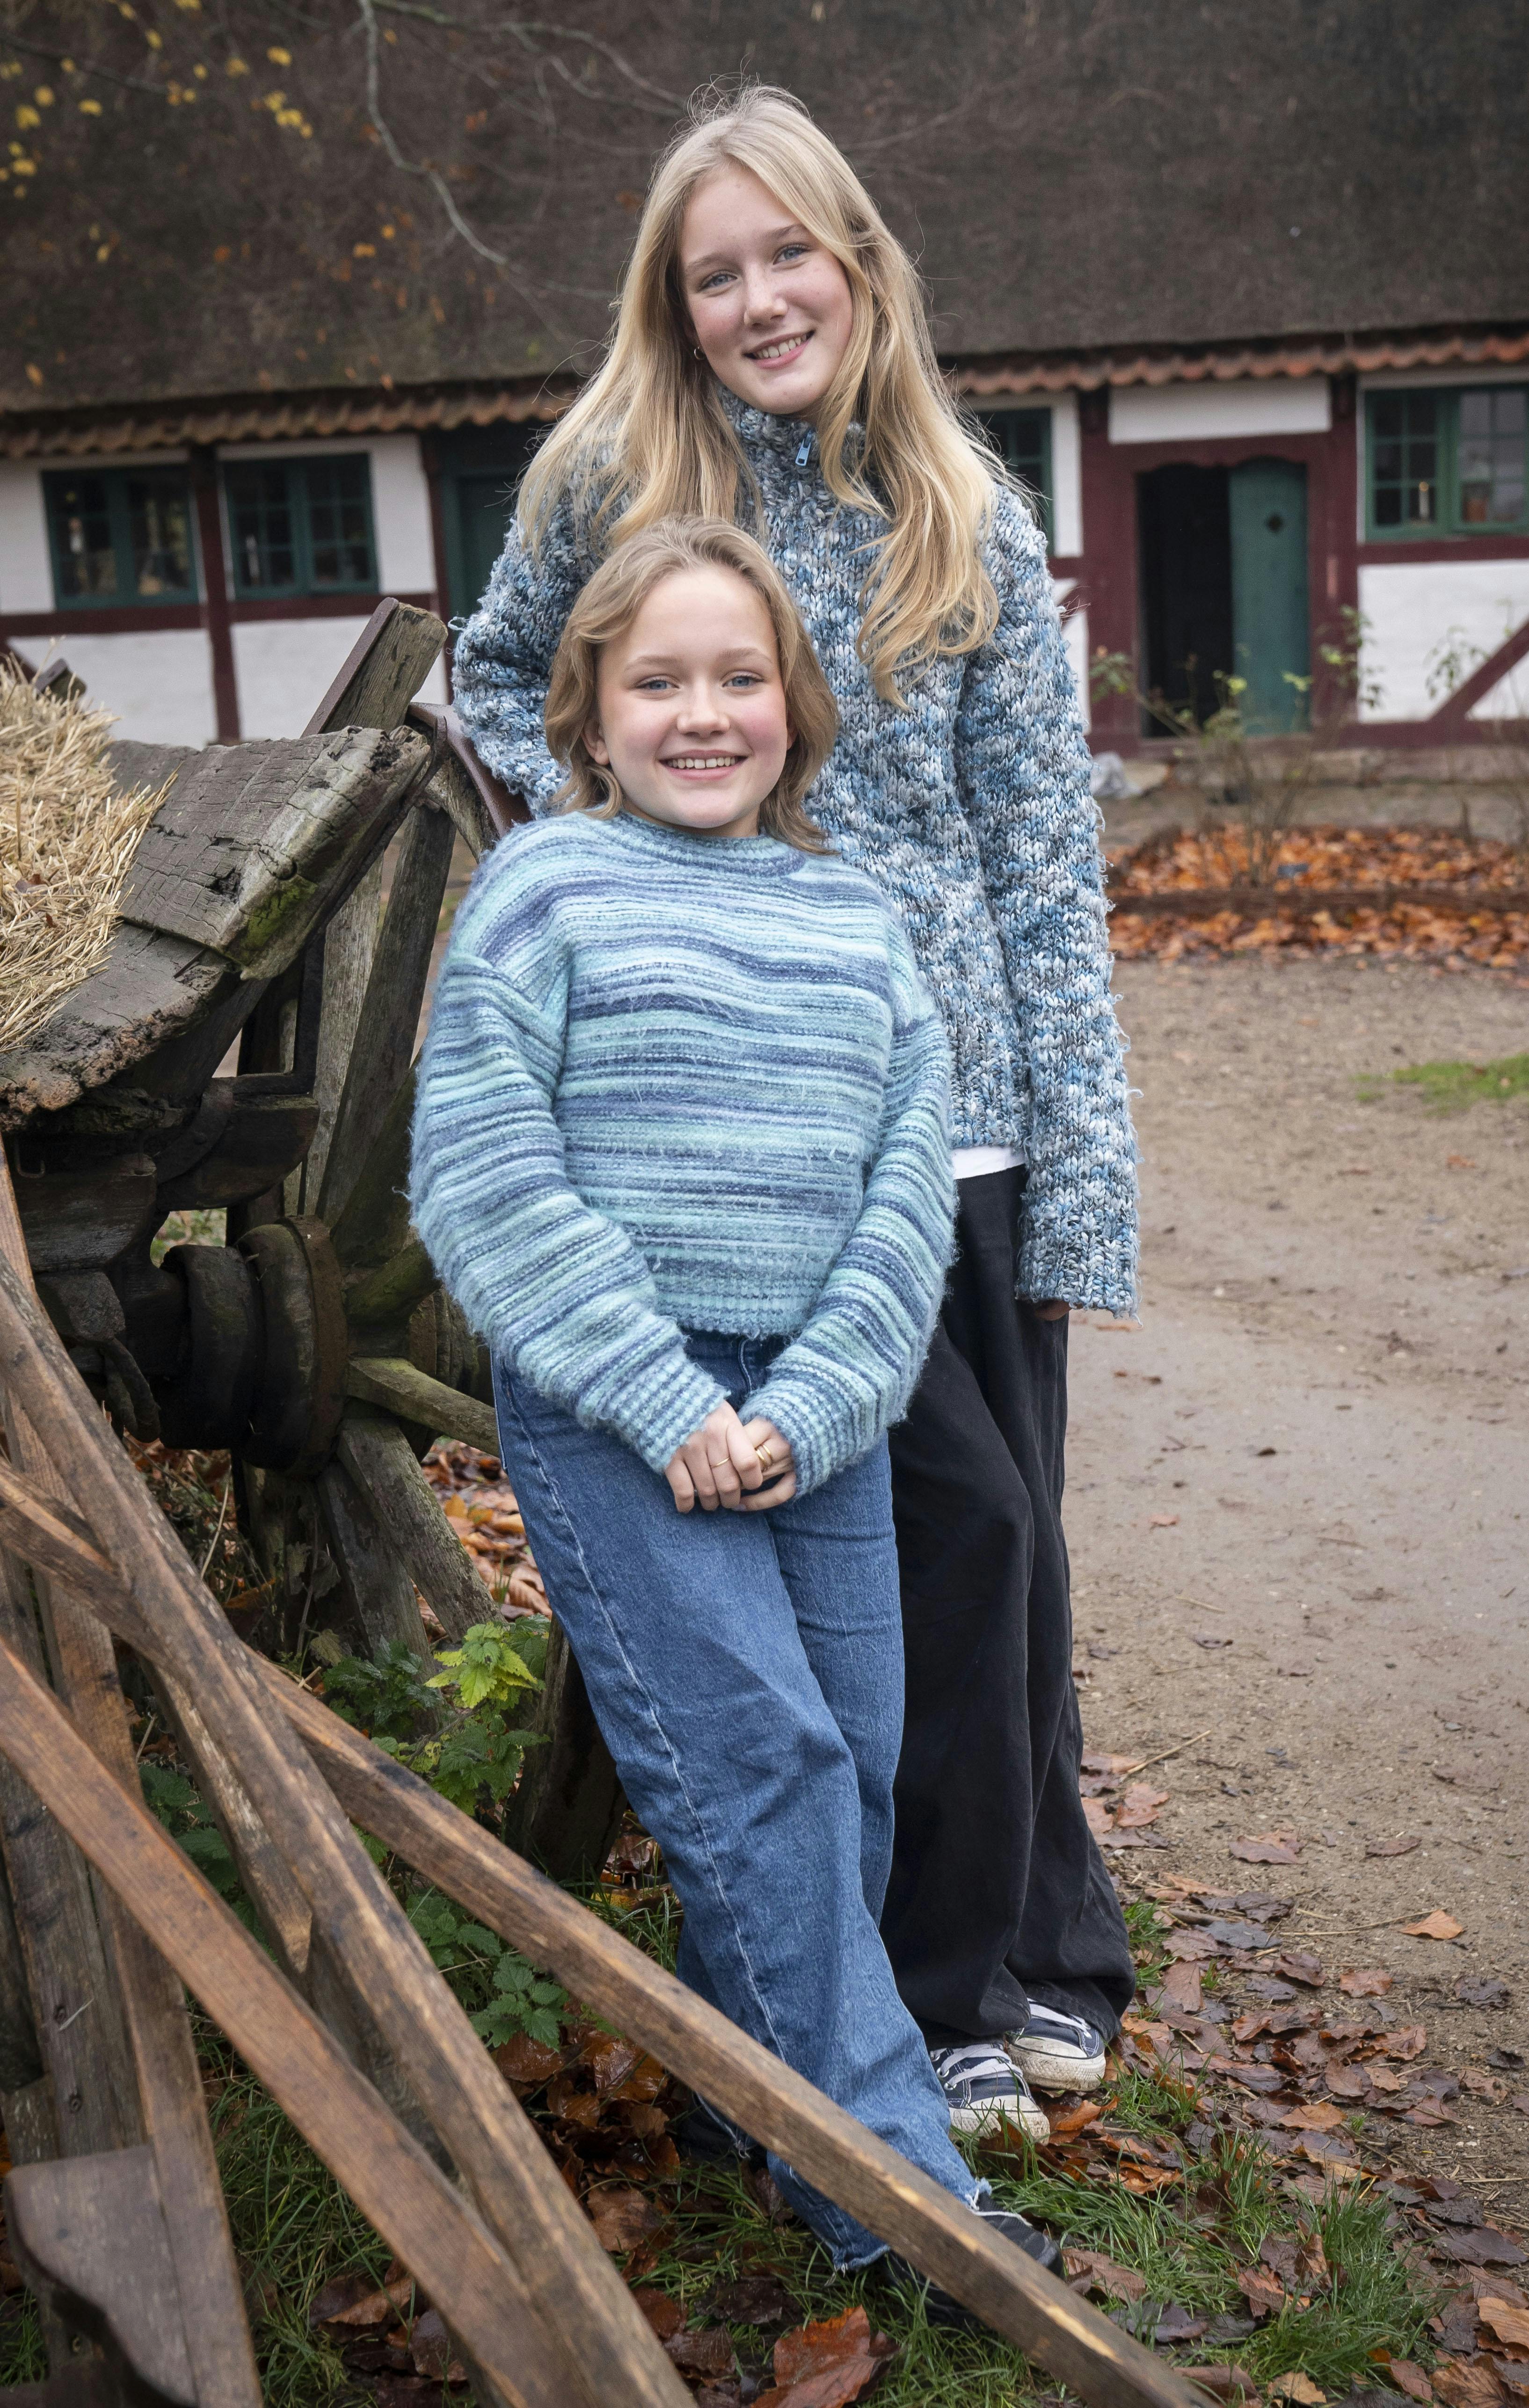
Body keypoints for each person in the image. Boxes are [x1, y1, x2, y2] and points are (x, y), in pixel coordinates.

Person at [453, 85, 1139, 2141]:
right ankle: (920, 1995)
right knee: (956, 1539)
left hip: (976, 1113)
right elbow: (504, 681)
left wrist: (1087, 1180)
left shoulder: (962, 504)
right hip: (754, 1115)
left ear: (858, 262)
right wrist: (654, 866)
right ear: (674, 304)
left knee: (1017, 1559)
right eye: (713, 271)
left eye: (789, 256)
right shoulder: (612, 477)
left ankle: (1044, 1952)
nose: (760, 300)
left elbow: (1044, 865)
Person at [412, 517, 1060, 2287]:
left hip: (814, 1412)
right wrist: (654, 1392)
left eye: (738, 677)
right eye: (657, 683)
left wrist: (828, 1396)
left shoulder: (855, 918)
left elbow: (901, 1185)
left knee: (844, 1772)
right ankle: (899, 2202)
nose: (703, 714)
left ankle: (732, 2091)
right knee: (757, 1761)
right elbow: (481, 1166)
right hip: (620, 1402)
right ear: (589, 711)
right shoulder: (546, 890)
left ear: (794, 703)